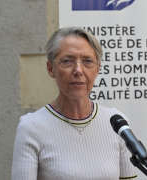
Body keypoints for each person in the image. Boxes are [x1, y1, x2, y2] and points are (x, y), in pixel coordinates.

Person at [11, 27, 137, 180]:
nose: (78, 70)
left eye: (87, 61)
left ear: (97, 69)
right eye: (67, 61)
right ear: (51, 69)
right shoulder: (31, 128)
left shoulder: (116, 122)